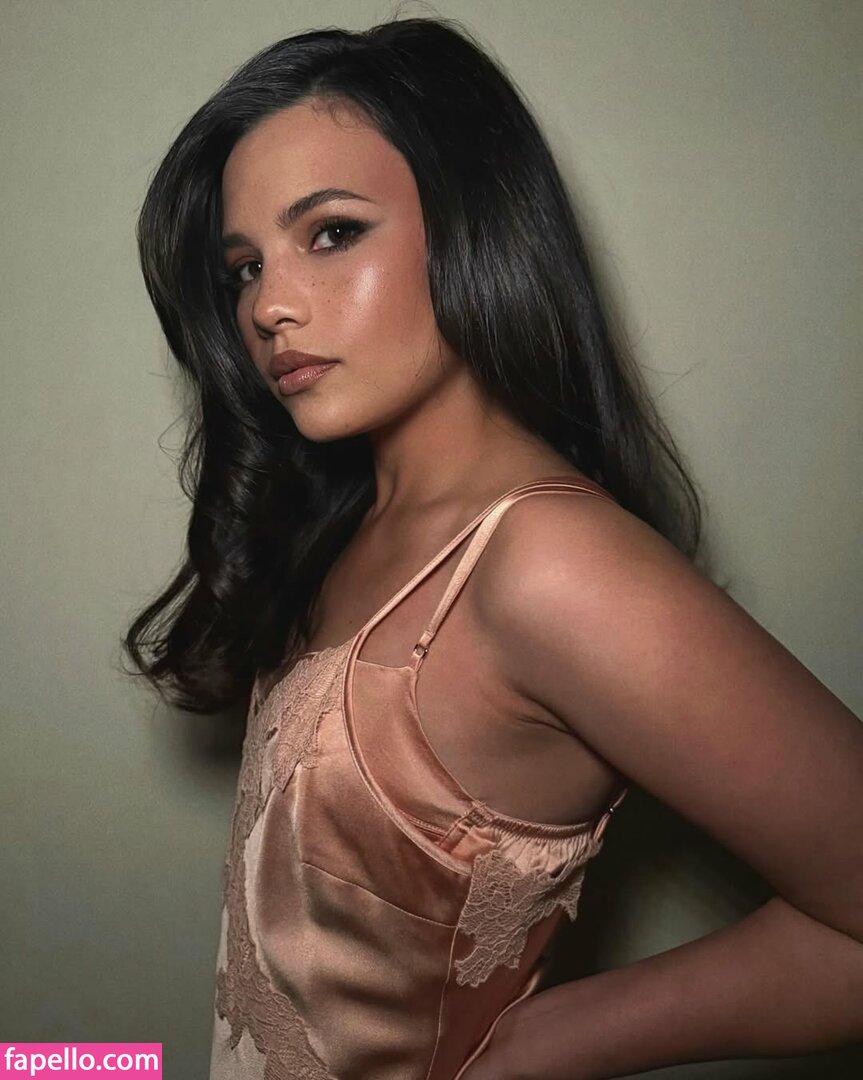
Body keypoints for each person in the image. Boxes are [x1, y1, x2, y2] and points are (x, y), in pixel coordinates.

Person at [124, 14, 863, 1080]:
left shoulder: (546, 562)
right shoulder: (345, 522)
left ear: (473, 226)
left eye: (330, 233)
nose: (270, 307)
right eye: (244, 268)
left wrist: (526, 1049)